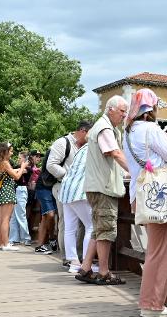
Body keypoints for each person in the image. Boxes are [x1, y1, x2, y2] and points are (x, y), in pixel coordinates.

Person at [124, 88, 167, 317]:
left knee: (157, 248)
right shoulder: (152, 129)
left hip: (139, 194)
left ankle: (161, 298)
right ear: (151, 109)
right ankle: (151, 305)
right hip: (159, 196)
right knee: (160, 251)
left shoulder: (128, 131)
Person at [75, 95, 130, 285]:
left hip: (96, 186)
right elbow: (114, 153)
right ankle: (104, 272)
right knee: (106, 230)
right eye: (122, 111)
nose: (124, 115)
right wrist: (136, 171)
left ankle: (86, 267)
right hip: (103, 187)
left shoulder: (101, 126)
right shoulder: (105, 128)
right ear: (111, 109)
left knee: (98, 229)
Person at [44, 121, 91, 259]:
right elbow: (51, 165)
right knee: (67, 223)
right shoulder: (63, 143)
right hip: (62, 186)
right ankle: (67, 257)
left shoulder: (85, 146)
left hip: (80, 189)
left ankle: (80, 256)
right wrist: (69, 175)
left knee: (82, 224)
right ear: (83, 131)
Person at [59, 144, 93, 273]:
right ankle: (86, 262)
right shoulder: (95, 147)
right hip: (79, 190)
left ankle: (73, 262)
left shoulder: (82, 148)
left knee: (70, 228)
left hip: (66, 190)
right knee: (91, 226)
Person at [0, 143, 28, 251]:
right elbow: (16, 177)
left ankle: (0, 243)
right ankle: (6, 243)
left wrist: (18, 169)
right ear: (5, 152)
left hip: (2, 191)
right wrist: (22, 167)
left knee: (2, 218)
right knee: (6, 219)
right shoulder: (5, 163)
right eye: (11, 151)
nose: (12, 153)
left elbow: (9, 173)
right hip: (8, 191)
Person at [8, 150, 32, 246]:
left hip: (21, 190)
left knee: (21, 214)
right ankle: (14, 238)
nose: (18, 159)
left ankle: (26, 237)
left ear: (25, 159)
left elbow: (16, 172)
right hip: (15, 190)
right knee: (13, 216)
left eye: (20, 158)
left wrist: (9, 170)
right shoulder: (17, 167)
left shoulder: (28, 168)